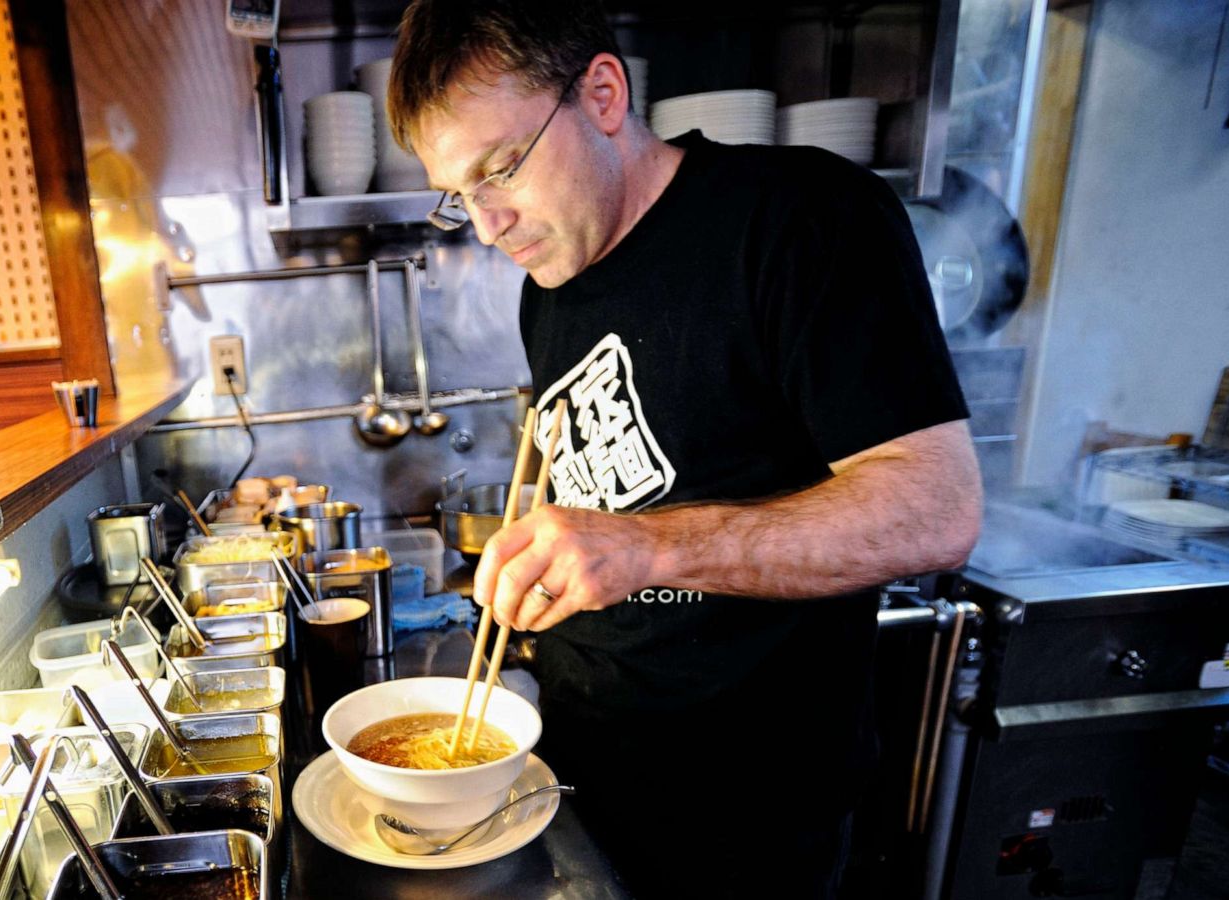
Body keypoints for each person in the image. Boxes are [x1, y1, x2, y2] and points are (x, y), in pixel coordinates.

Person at [387, 2, 983, 897]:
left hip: (746, 815)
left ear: (601, 93)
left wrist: (652, 545)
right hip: (579, 775)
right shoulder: (551, 285)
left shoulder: (800, 220)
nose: (489, 223)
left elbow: (937, 510)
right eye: (458, 194)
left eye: (501, 167)